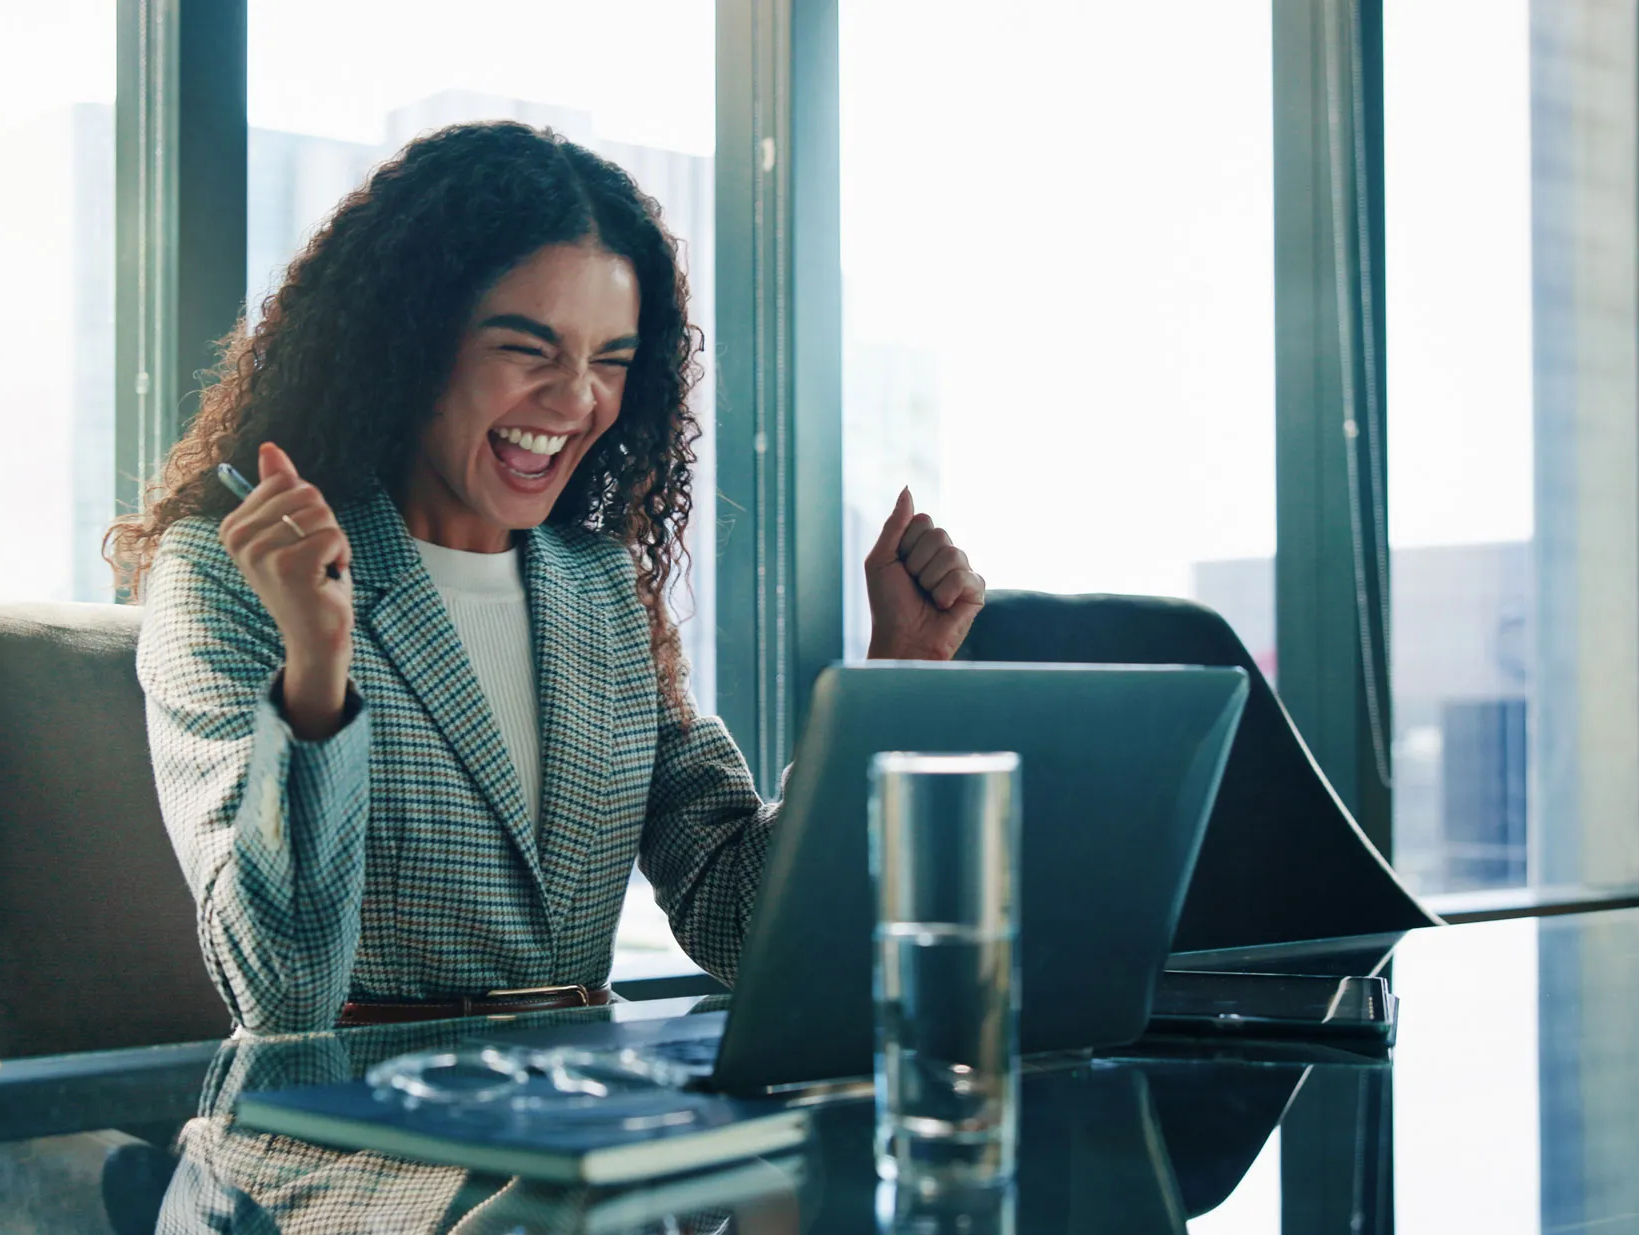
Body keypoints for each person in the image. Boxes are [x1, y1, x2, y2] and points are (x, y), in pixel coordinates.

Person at [108, 122, 984, 1037]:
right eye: (529, 348)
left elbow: (741, 920)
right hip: (348, 1146)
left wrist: (895, 677)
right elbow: (282, 995)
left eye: (611, 360)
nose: (575, 401)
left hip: (577, 1124)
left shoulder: (600, 586)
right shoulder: (233, 574)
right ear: (407, 342)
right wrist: (318, 674)